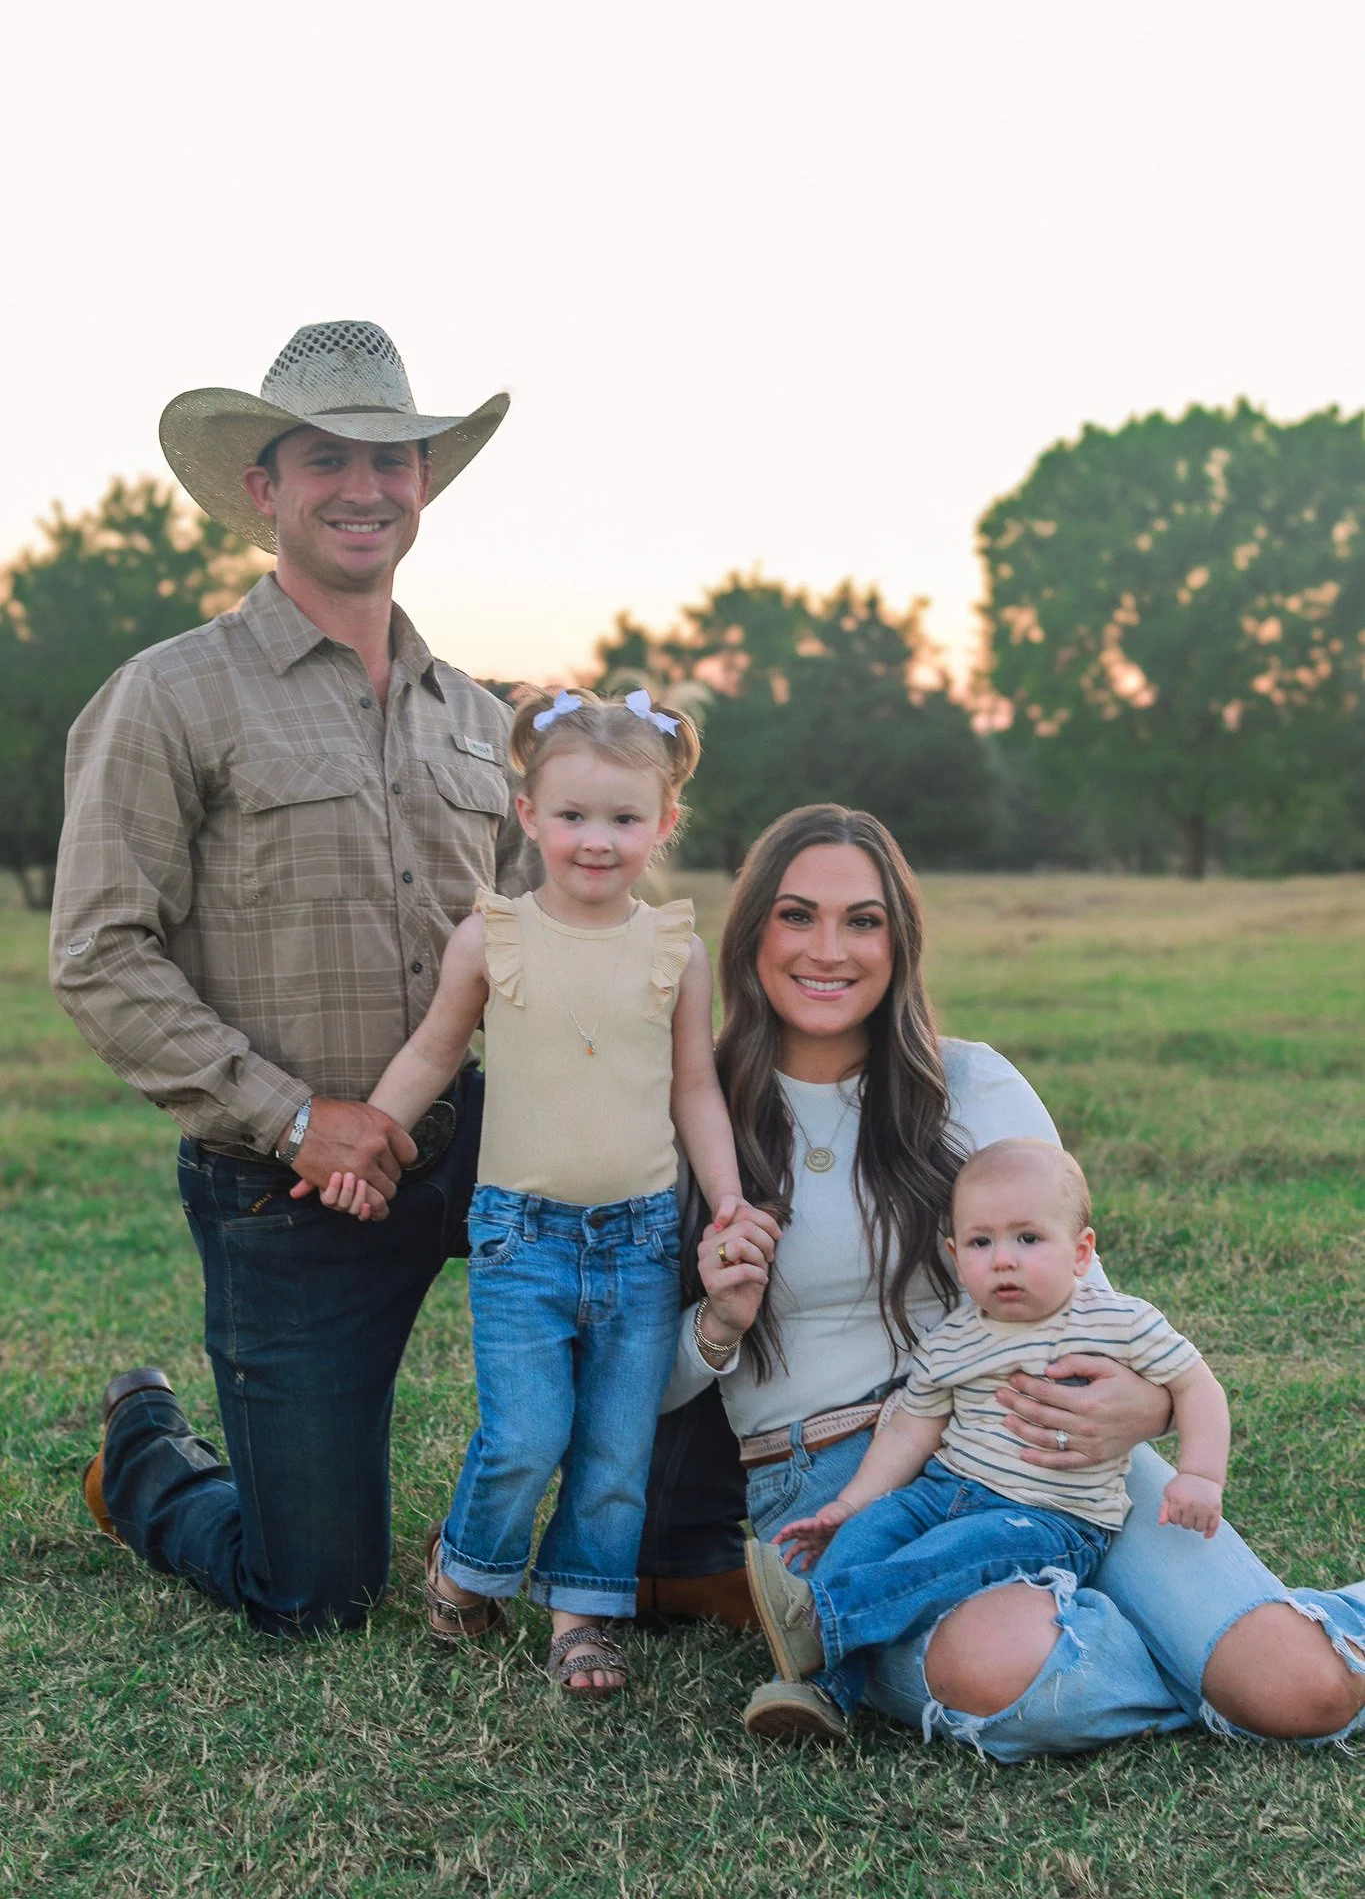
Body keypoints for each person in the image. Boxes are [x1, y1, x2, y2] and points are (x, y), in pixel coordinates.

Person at [657, 803, 1365, 1755]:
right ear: (750, 932)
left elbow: (1088, 1298)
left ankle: (1254, 1652)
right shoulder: (696, 1112)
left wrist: (1149, 1405)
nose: (828, 949)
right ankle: (1198, 1653)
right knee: (1007, 1670)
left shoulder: (972, 1084)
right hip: (837, 1488)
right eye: (796, 916)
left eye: (862, 920)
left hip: (1050, 1445)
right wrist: (719, 1322)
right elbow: (632, 1388)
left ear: (899, 943)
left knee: (1301, 1695)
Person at [52, 320, 532, 1638]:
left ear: (423, 485)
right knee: (315, 1591)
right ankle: (144, 1459)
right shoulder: (170, 697)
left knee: (690, 1225)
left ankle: (676, 1550)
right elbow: (97, 951)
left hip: (470, 1143)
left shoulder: (484, 721)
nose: (364, 487)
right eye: (328, 459)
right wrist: (297, 1117)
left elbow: (543, 947)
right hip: (287, 1184)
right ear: (264, 489)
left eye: (392, 460)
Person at [313, 685, 762, 1694]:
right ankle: (465, 1566)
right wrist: (368, 1142)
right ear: (527, 815)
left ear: (664, 823)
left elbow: (694, 1086)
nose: (596, 840)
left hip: (640, 1238)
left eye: (624, 819)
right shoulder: (495, 936)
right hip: (520, 1237)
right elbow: (433, 1053)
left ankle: (580, 1617)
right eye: (572, 815)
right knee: (525, 1434)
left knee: (615, 1447)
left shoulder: (675, 951)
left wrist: (727, 1197)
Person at [743, 1138, 1229, 1736]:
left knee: (954, 1552)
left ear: (1080, 1252)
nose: (1003, 1260)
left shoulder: (1116, 1320)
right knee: (868, 1534)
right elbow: (909, 1432)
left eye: (1028, 1239)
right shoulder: (953, 1340)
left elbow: (1197, 1386)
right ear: (954, 1254)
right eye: (981, 1243)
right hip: (943, 1489)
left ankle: (819, 1616)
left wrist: (1200, 1474)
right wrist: (849, 1504)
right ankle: (825, 1690)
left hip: (1049, 1517)